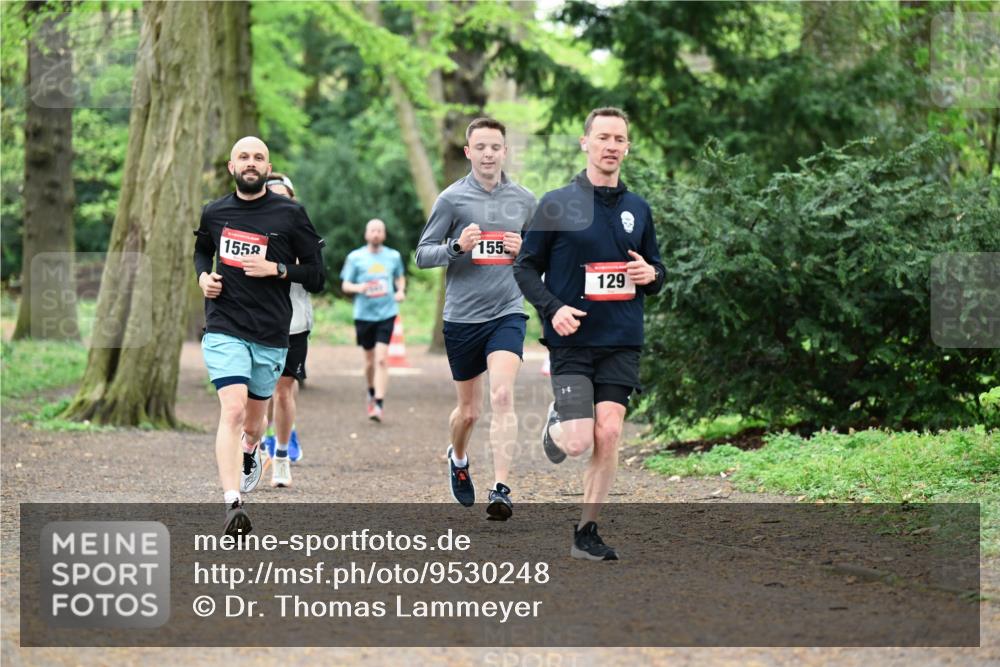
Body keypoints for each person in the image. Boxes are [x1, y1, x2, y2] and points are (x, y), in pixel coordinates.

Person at [513, 108, 665, 559]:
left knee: (611, 431)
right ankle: (556, 426)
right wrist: (552, 309)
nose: (611, 145)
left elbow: (657, 271)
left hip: (621, 337)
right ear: (585, 143)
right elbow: (525, 267)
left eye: (620, 138)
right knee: (579, 441)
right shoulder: (557, 203)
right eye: (603, 137)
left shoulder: (638, 208)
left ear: (627, 147)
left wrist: (649, 274)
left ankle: (587, 531)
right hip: (572, 340)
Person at [194, 137, 326, 535]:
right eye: (243, 157)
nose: (251, 163)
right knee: (231, 411)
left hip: (271, 333)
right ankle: (233, 502)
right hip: (224, 326)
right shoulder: (215, 212)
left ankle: (252, 449)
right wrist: (203, 276)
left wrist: (279, 270)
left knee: (253, 425)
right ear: (232, 167)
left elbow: (317, 275)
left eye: (259, 157)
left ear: (268, 168)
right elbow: (202, 249)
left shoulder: (290, 215)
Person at [415, 117, 536, 521]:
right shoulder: (451, 199)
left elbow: (541, 260)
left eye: (495, 147)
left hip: (507, 311)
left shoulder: (523, 200)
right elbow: (422, 254)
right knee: (469, 412)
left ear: (505, 151)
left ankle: (501, 489)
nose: (488, 154)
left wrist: (524, 253)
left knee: (502, 396)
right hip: (463, 317)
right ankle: (459, 455)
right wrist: (456, 246)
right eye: (480, 147)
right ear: (468, 152)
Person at [257, 172, 312, 487]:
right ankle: (261, 440)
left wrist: (282, 267)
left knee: (283, 388)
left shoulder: (301, 231)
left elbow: (316, 276)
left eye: (283, 196)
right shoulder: (250, 230)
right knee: (261, 390)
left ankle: (280, 451)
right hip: (256, 321)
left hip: (293, 322)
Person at [340, 219, 406, 421]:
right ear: (366, 234)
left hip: (387, 312)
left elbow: (399, 277)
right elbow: (345, 285)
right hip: (364, 314)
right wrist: (359, 288)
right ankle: (370, 390)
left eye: (380, 230)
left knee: (381, 359)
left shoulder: (393, 256)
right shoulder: (355, 257)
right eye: (372, 230)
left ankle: (378, 402)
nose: (376, 234)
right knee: (369, 362)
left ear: (384, 234)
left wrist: (400, 290)